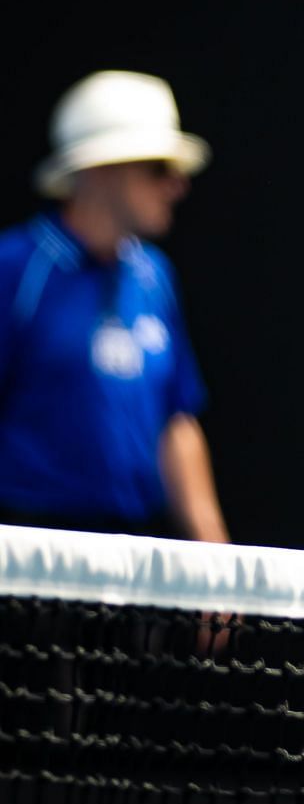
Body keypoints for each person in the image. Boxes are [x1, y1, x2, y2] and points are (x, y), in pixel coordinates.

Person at [0, 71, 227, 544]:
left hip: (137, 556)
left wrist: (217, 559)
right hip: (29, 553)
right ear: (99, 169)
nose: (178, 185)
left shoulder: (153, 275)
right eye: (159, 167)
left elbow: (175, 418)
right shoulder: (17, 269)